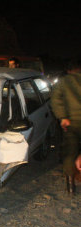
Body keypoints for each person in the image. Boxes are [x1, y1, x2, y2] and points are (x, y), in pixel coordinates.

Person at [51, 59, 81, 193]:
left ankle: (70, 184)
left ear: (69, 70)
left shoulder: (63, 82)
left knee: (70, 151)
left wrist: (62, 117)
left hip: (70, 122)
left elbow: (55, 100)